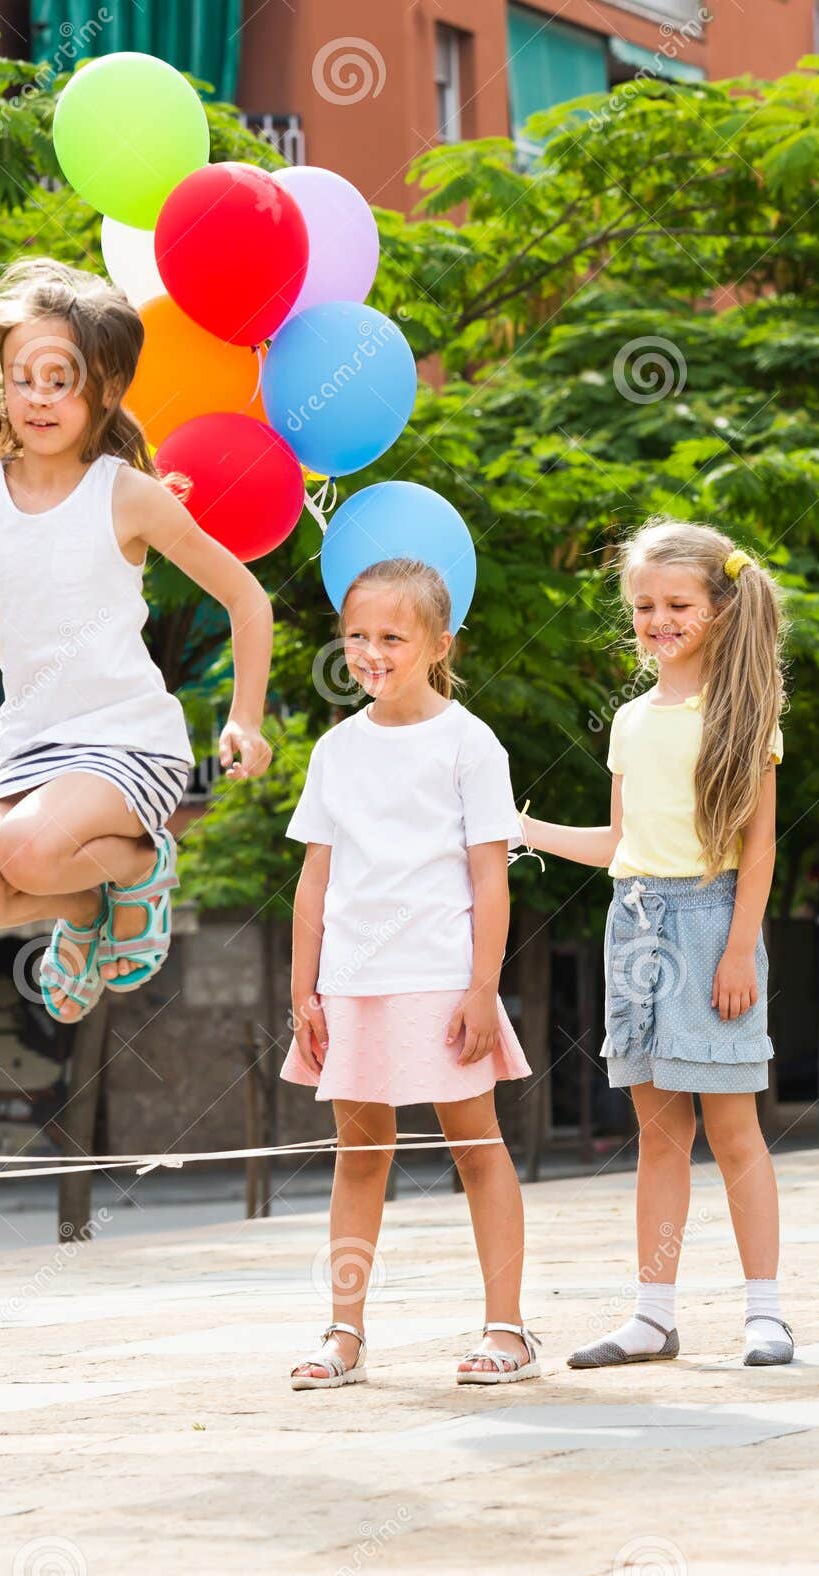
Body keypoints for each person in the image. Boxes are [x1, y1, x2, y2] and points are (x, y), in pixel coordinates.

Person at [0, 259, 274, 1023]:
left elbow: (244, 595)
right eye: (21, 376)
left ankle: (144, 862)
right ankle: (84, 911)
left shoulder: (126, 495)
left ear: (101, 390)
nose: (38, 397)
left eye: (60, 379)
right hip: (32, 749)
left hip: (126, 744)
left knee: (27, 852)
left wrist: (244, 717)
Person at [522, 519, 790, 1368]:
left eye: (677, 603)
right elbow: (617, 844)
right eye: (642, 605)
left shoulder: (744, 713)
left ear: (718, 606)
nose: (656, 619)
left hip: (711, 922)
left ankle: (765, 1311)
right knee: (657, 1134)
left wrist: (739, 948)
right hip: (631, 924)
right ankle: (652, 1315)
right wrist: (521, 827)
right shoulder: (631, 720)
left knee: (734, 1126)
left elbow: (758, 846)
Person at [280, 558, 538, 1388]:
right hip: (352, 984)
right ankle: (343, 1335)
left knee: (475, 1146)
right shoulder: (335, 749)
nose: (370, 651)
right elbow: (314, 879)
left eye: (391, 635)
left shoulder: (470, 742)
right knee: (359, 1155)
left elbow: (489, 875)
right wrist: (303, 989)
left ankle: (507, 1331)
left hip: (441, 977)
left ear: (438, 643)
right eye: (356, 635)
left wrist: (480, 987)